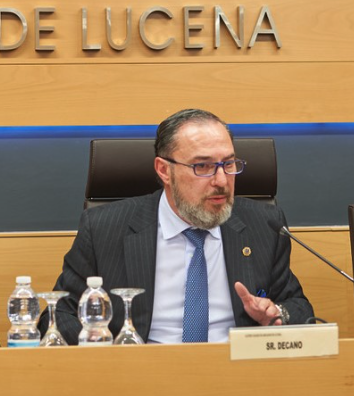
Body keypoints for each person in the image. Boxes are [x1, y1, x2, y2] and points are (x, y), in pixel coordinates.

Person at [45, 108, 313, 344]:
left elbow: (298, 307)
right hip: (140, 376)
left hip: (237, 374)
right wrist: (102, 347)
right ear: (164, 171)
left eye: (228, 164)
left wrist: (276, 314)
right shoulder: (105, 227)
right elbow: (58, 314)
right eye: (203, 166)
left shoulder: (264, 225)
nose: (221, 180)